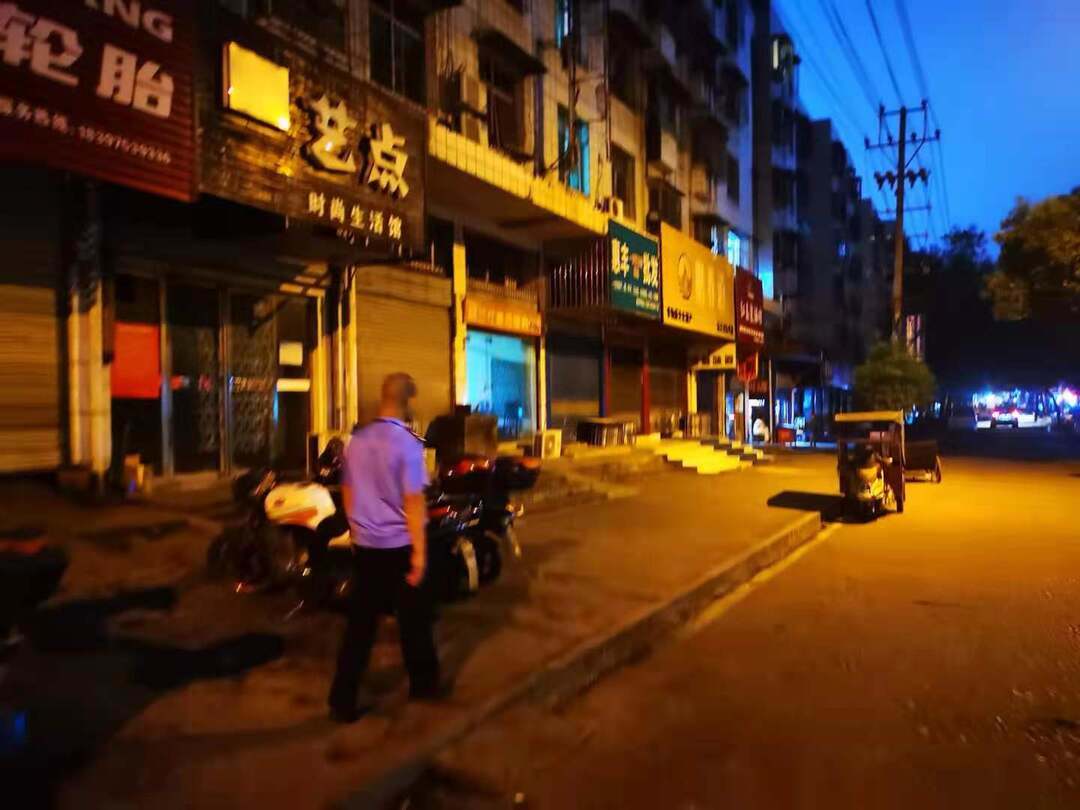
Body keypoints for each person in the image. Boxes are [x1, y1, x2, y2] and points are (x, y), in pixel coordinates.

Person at [328, 373, 440, 723]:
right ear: (407, 403)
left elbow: (347, 490)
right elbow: (414, 501)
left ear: (382, 398)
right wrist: (419, 554)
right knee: (414, 621)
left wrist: (357, 529)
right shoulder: (408, 444)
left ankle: (342, 699)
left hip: (366, 546)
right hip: (399, 546)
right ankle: (424, 687)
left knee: (359, 627)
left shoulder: (357, 440)